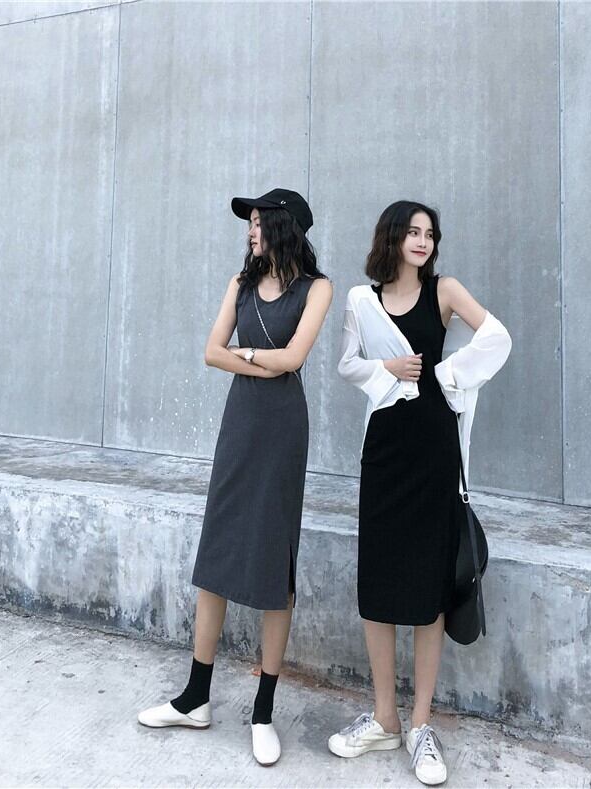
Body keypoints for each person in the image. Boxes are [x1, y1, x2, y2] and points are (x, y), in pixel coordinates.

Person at [138, 189, 332, 766]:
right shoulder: (240, 284)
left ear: (283, 226)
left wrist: (244, 355)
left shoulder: (316, 289)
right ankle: (195, 697)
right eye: (249, 223)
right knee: (218, 550)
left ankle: (263, 711)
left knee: (275, 558)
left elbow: (294, 359)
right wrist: (258, 359)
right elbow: (210, 351)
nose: (250, 231)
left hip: (282, 430)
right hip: (240, 423)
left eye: (257, 222)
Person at [330, 201, 511, 785]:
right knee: (379, 582)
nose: (423, 241)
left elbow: (498, 338)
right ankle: (385, 719)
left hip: (436, 451)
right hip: (383, 452)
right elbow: (347, 365)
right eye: (412, 232)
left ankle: (420, 724)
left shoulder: (445, 290)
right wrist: (386, 367)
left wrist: (445, 373)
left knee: (430, 586)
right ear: (391, 236)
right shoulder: (361, 300)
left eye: (430, 234)